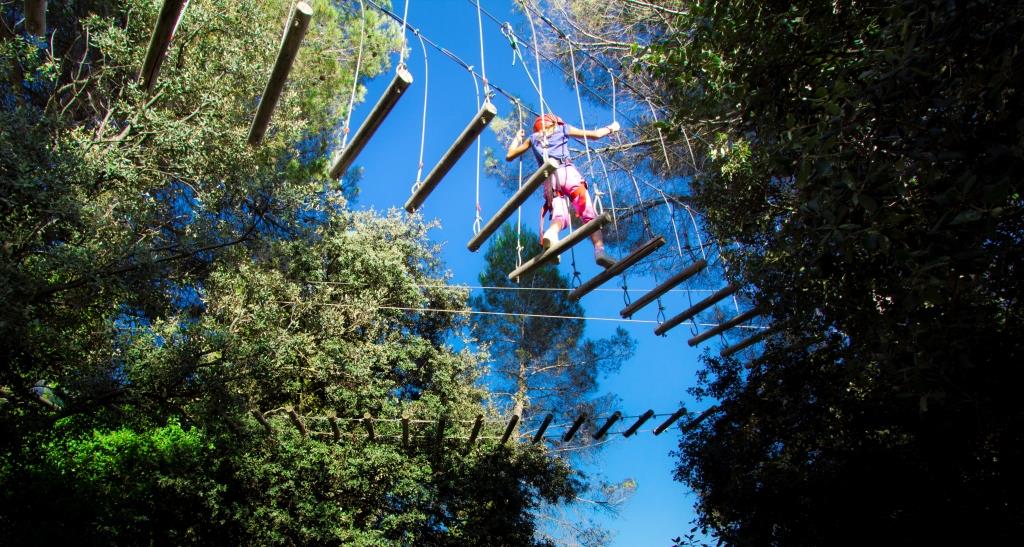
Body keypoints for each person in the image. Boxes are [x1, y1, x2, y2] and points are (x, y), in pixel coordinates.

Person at [505, 113, 621, 268]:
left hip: (550, 179)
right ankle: (599, 251)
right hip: (567, 172)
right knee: (589, 215)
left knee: (559, 216)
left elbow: (509, 155)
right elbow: (595, 135)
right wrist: (612, 128)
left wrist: (517, 138)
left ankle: (552, 233)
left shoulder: (533, 138)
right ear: (555, 122)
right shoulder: (562, 129)